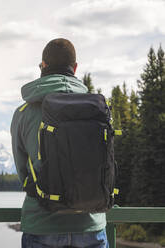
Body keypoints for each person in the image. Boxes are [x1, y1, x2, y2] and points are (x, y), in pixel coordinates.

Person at [10, 38, 108, 248]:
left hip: (42, 224)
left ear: (43, 66)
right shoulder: (97, 110)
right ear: (75, 68)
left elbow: (23, 172)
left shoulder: (24, 113)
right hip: (90, 225)